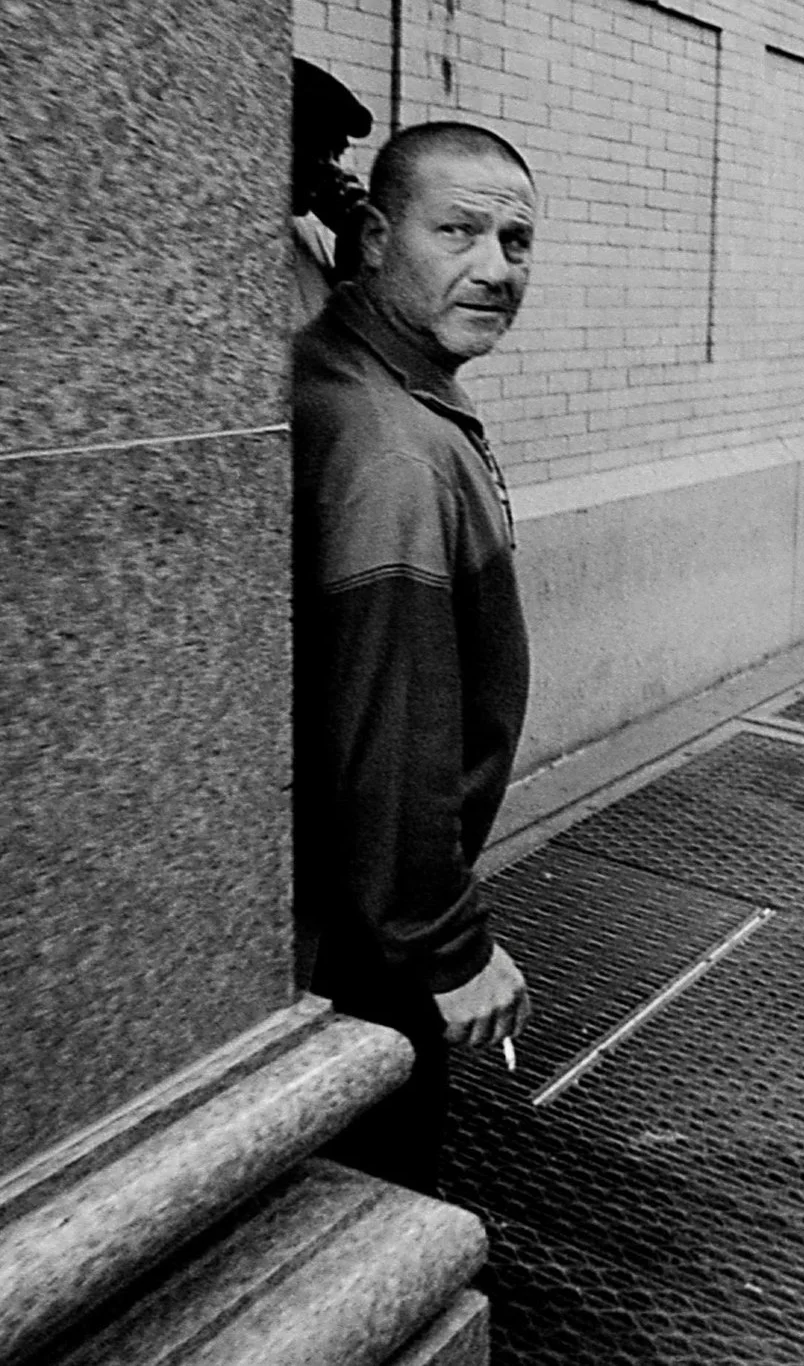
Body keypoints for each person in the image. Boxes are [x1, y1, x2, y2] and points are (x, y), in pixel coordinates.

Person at [290, 121, 538, 1192]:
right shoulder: (389, 448)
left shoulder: (372, 380)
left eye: (518, 240)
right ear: (379, 235)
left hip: (350, 917)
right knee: (382, 1191)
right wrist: (446, 945)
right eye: (459, 231)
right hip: (371, 941)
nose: (494, 268)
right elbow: (391, 726)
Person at [290, 59, 376, 324]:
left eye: (336, 155)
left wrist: (357, 258)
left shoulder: (313, 236)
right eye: (319, 151)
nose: (333, 171)